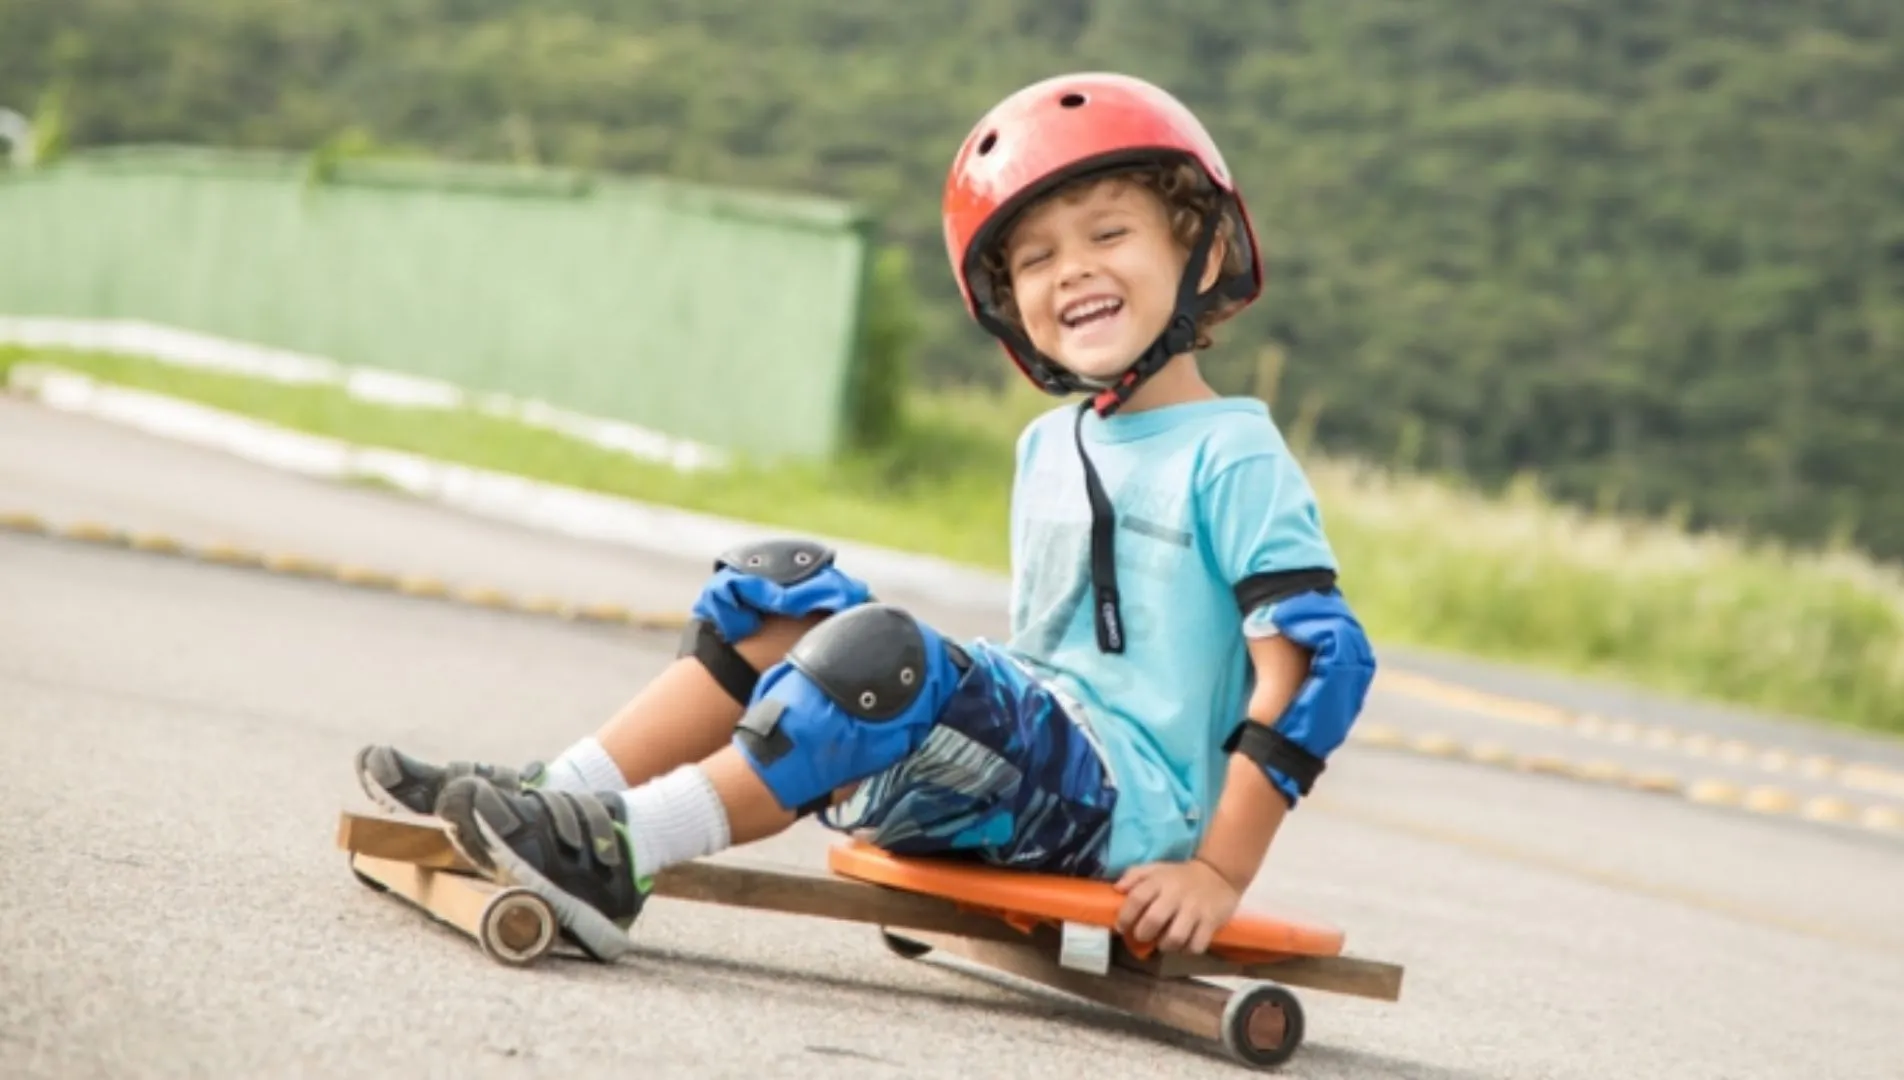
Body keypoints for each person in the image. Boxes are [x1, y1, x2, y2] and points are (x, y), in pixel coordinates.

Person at [353, 71, 1376, 965]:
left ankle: (619, 849)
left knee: (884, 653)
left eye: (1110, 234)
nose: (1072, 271)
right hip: (1032, 764)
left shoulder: (1233, 451)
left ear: (1195, 244)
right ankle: (553, 797)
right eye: (1034, 259)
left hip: (1130, 810)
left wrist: (1216, 872)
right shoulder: (1047, 445)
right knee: (777, 590)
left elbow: (1318, 663)